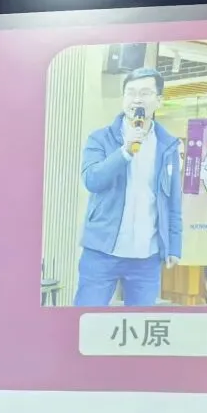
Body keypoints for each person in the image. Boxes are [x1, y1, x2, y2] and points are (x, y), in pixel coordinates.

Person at [74, 67, 182, 307]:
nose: (136, 99)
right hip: (101, 252)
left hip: (146, 257)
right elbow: (92, 180)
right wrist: (125, 151)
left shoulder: (168, 146)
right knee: (85, 320)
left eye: (145, 93)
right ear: (123, 98)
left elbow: (173, 200)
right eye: (131, 92)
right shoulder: (100, 138)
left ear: (159, 100)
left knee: (139, 325)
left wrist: (174, 245)